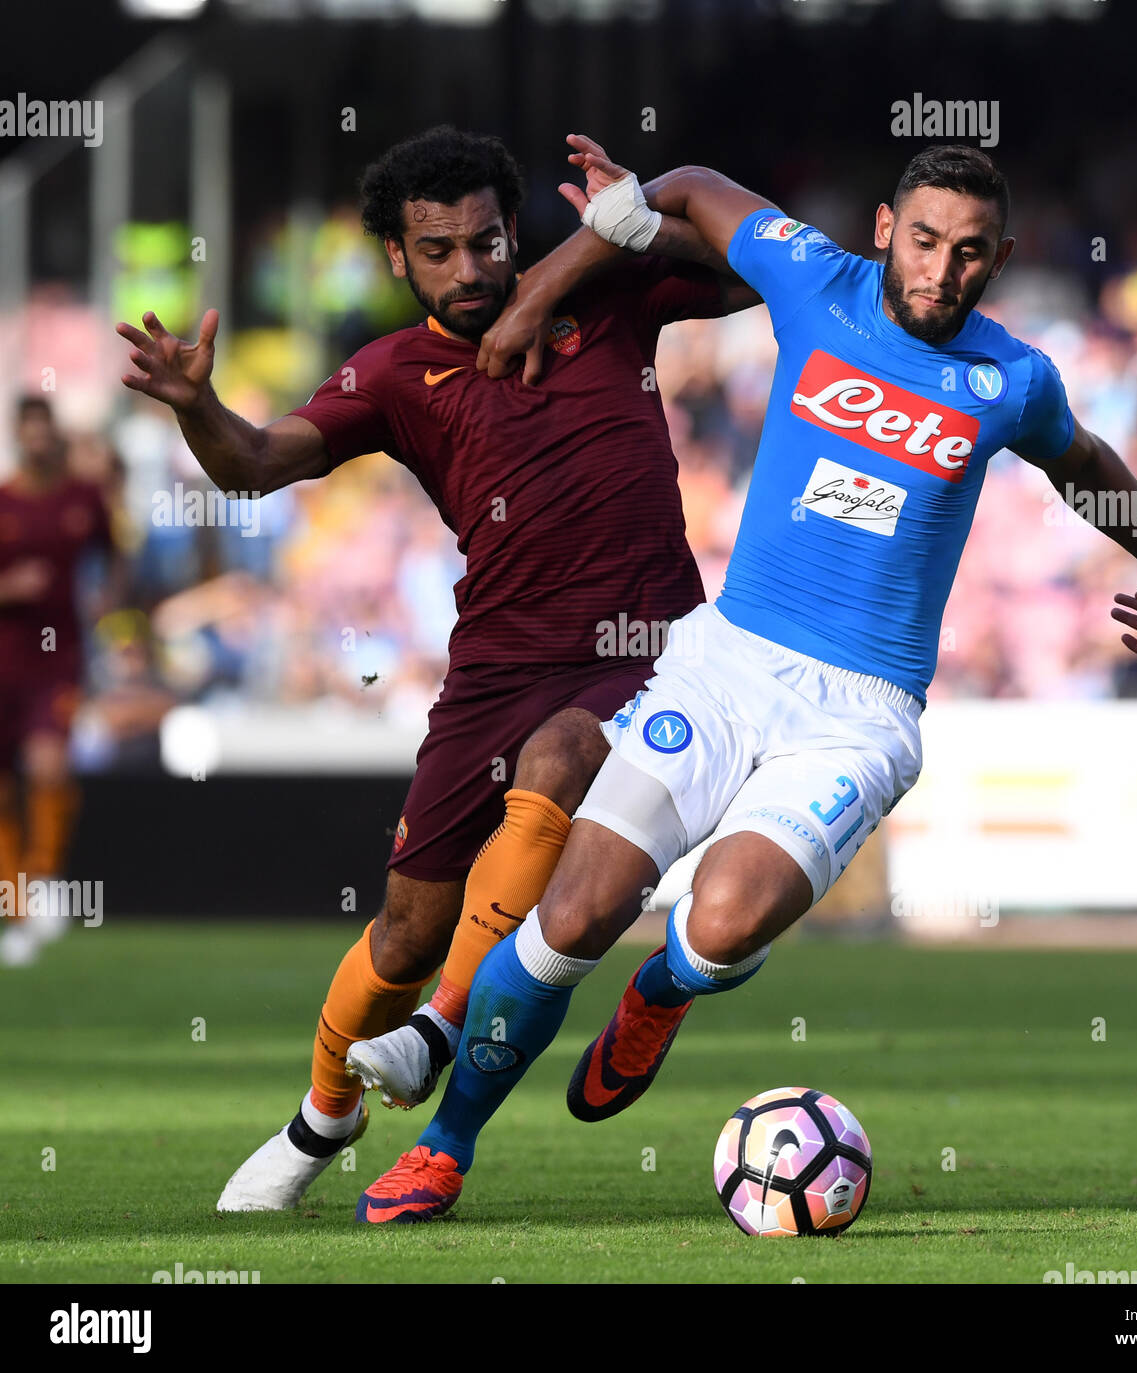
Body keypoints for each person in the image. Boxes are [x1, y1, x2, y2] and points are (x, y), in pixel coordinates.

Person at [348, 135, 1137, 1223]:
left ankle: (663, 990)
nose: (942, 270)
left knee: (717, 925)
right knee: (571, 916)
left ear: (1000, 259)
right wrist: (551, 281)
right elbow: (696, 189)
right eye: (926, 240)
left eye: (971, 253)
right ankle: (445, 1145)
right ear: (886, 231)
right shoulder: (813, 278)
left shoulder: (1008, 379)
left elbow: (1084, 462)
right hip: (725, 667)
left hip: (857, 717)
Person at [115, 125, 756, 1211]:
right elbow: (255, 466)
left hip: (647, 652)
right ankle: (321, 1114)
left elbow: (774, 263)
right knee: (403, 928)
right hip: (495, 665)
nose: (471, 269)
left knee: (561, 758)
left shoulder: (610, 295)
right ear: (396, 259)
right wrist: (197, 408)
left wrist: (635, 217)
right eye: (441, 249)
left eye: (489, 242)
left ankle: (442, 1024)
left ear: (517, 233)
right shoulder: (393, 374)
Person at [0, 397, 119, 968]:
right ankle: (17, 907)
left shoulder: (82, 497)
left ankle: (43, 882)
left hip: (58, 661)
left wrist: (107, 599)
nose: (39, 442)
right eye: (30, 434)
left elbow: (114, 555)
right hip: (4, 663)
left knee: (49, 766)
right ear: (19, 438)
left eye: (46, 432)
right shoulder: (3, 500)